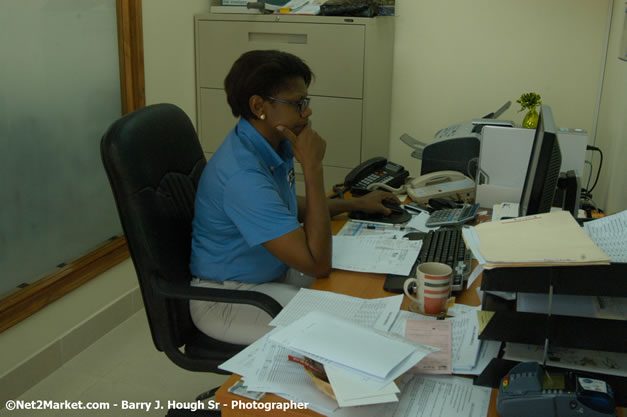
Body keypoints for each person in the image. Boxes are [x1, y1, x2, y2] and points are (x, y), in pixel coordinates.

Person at [189, 50, 398, 345]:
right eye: (298, 103)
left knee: (363, 288)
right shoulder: (242, 176)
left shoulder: (269, 143)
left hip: (271, 275)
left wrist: (355, 204)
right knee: (351, 333)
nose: (307, 112)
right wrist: (313, 168)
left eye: (306, 102)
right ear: (259, 106)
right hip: (229, 298)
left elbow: (282, 208)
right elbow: (316, 264)